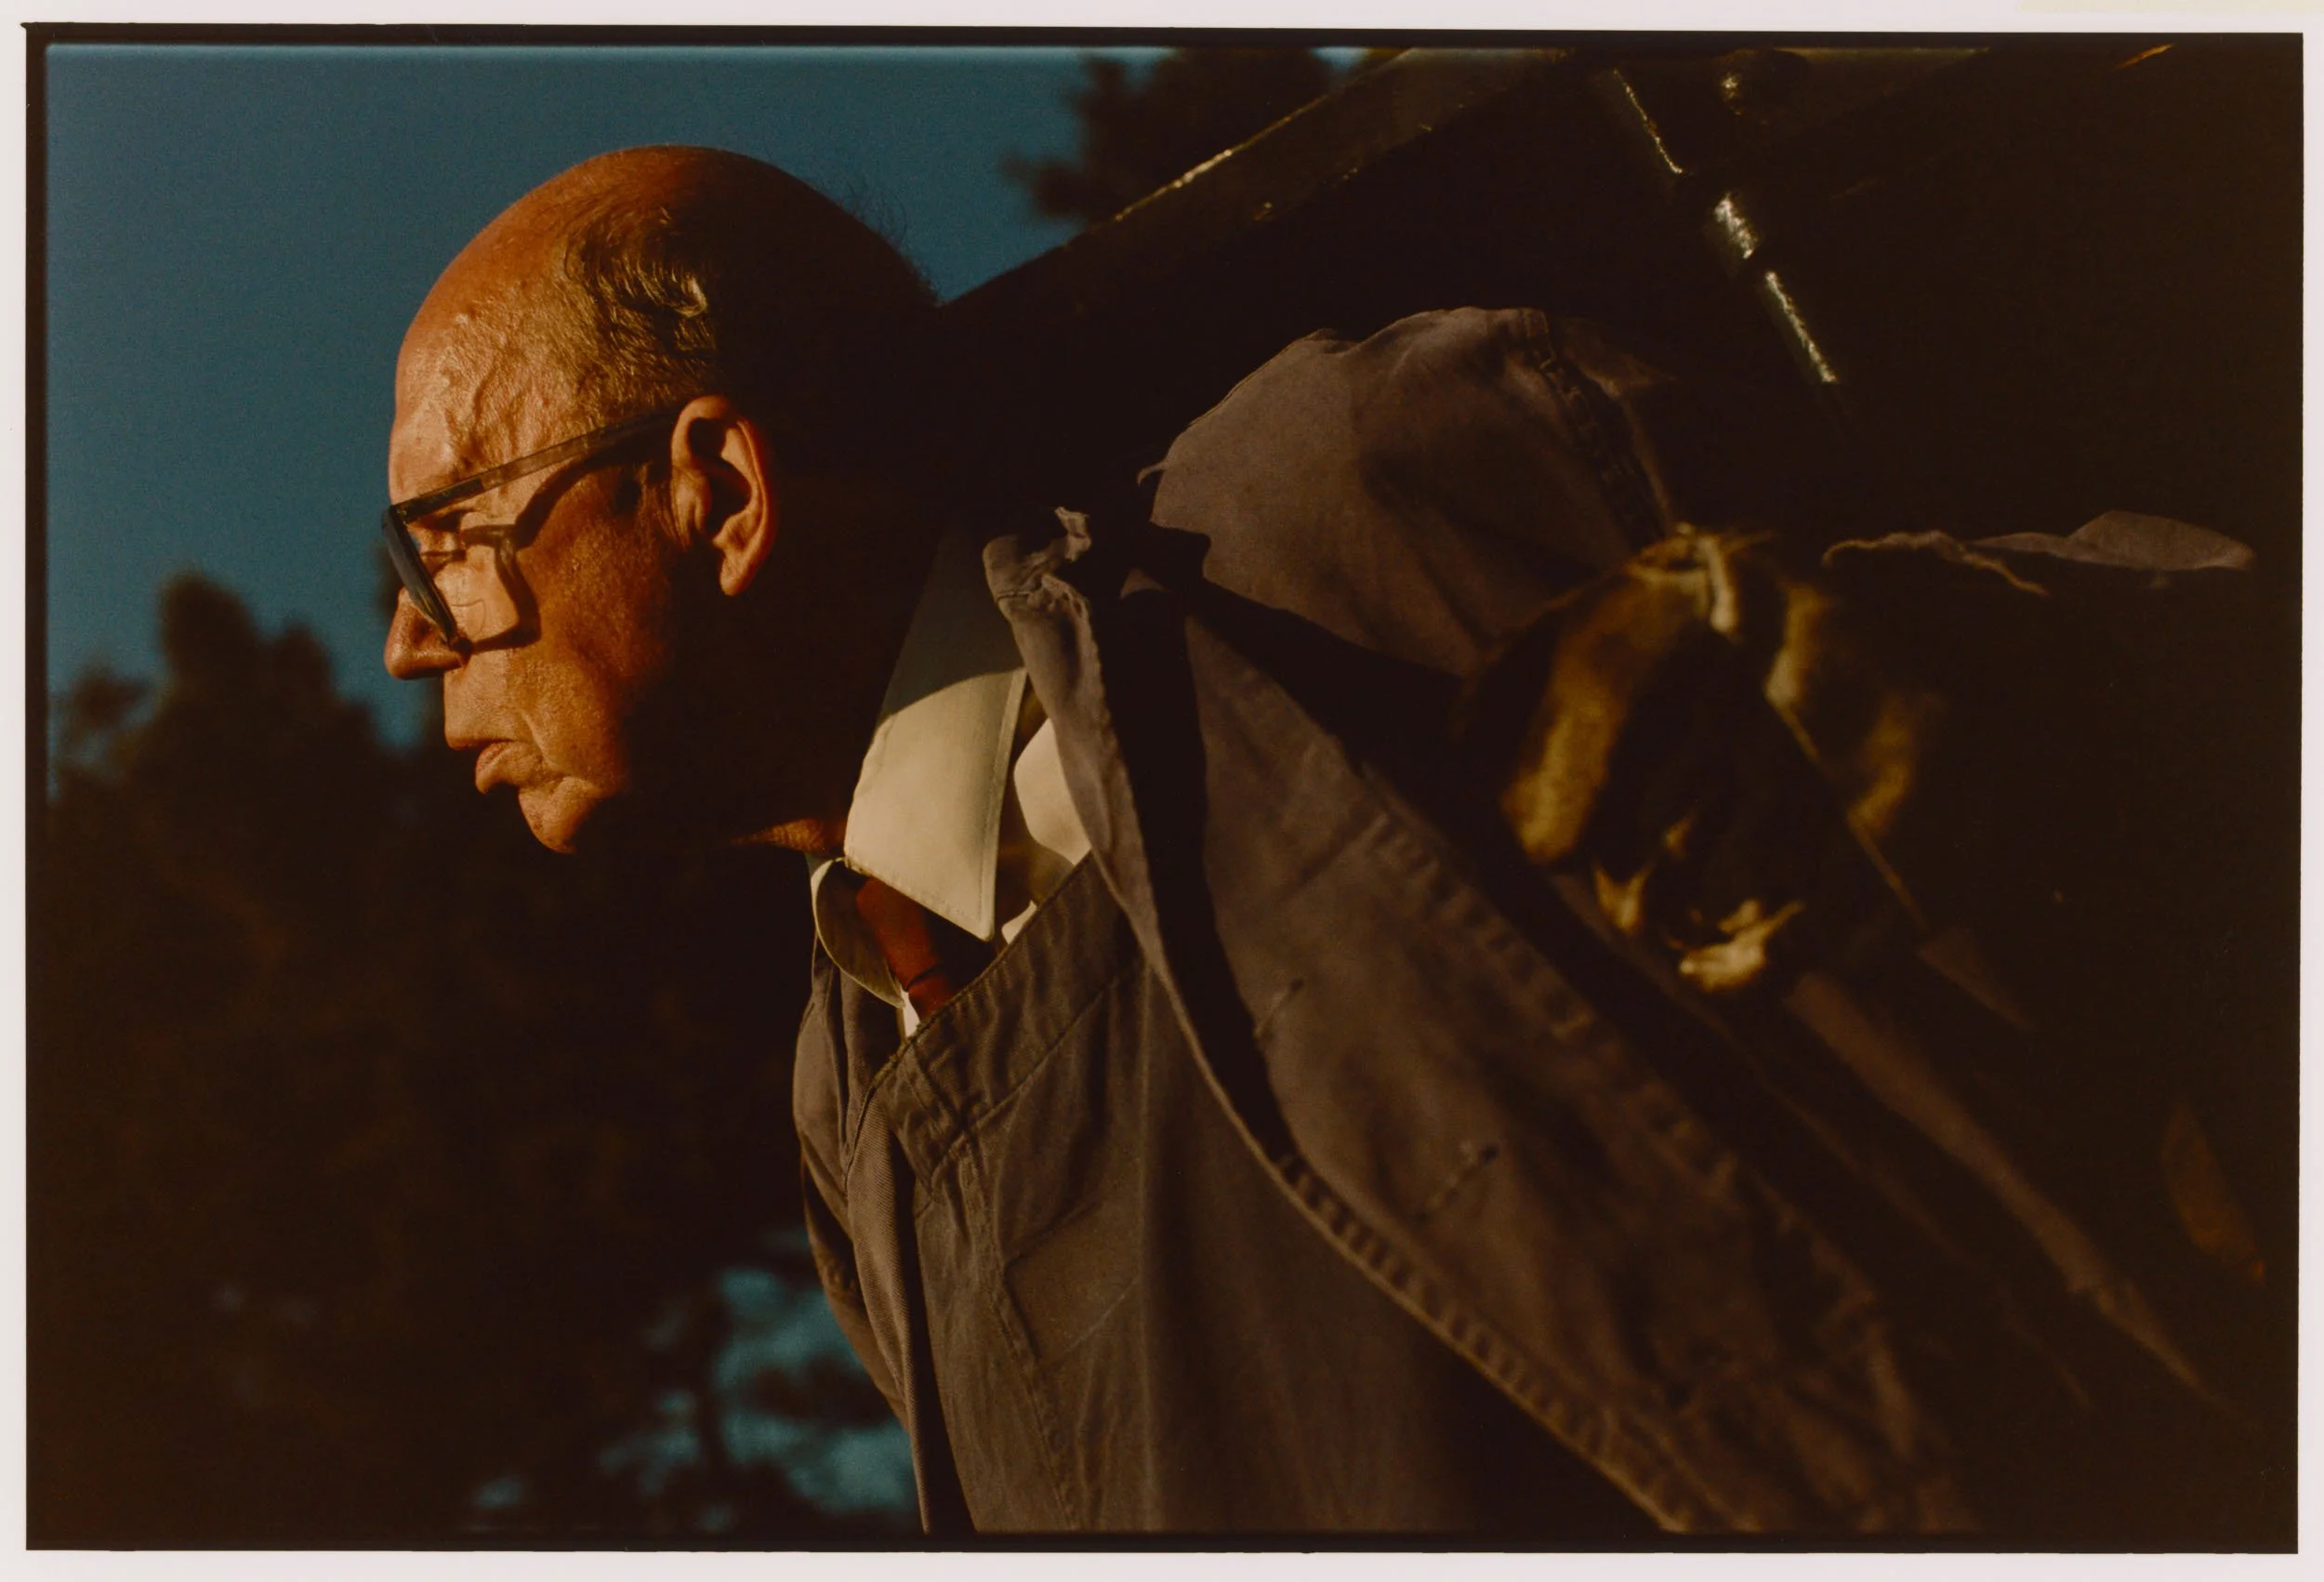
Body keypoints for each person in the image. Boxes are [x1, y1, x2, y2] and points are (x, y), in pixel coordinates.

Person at [381, 145, 2286, 1541]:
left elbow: (2219, 687)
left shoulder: (1336, 510)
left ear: (717, 489)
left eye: (440, 537)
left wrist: (1939, 659)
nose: (405, 639)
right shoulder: (843, 1081)